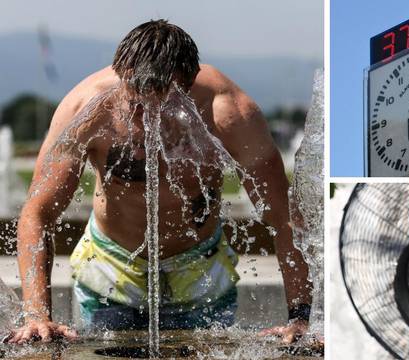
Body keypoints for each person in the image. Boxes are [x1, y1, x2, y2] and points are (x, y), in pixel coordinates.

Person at [10, 19, 312, 344]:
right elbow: (37, 213)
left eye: (164, 105)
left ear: (188, 83)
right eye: (135, 104)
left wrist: (300, 319)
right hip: (113, 269)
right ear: (121, 75)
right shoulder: (84, 110)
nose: (145, 121)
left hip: (200, 270)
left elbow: (284, 218)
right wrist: (38, 317)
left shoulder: (229, 113)